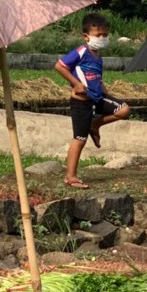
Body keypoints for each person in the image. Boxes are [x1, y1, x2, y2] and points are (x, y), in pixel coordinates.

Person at [54, 12, 130, 189]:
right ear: (86, 36)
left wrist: (104, 89)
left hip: (97, 97)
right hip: (81, 101)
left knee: (124, 110)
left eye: (105, 35)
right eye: (98, 35)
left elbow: (96, 77)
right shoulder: (81, 52)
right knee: (80, 138)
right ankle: (70, 176)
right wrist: (75, 84)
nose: (102, 38)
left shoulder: (98, 56)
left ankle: (95, 126)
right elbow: (60, 65)